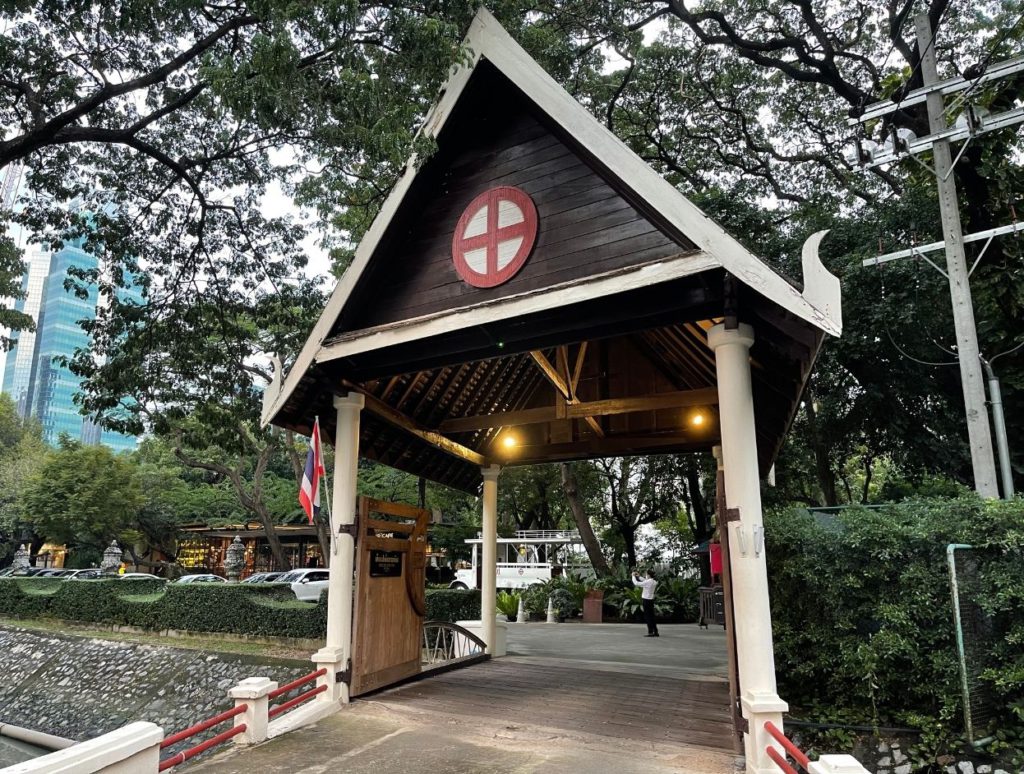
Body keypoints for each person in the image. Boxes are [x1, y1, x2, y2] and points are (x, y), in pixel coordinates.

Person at [631, 568, 659, 637]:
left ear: (649, 575)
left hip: (646, 601)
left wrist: (633, 576)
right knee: (652, 616)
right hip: (651, 601)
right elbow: (645, 581)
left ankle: (650, 632)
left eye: (646, 574)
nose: (645, 575)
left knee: (648, 617)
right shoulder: (654, 582)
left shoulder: (648, 582)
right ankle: (655, 631)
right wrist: (638, 576)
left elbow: (637, 583)